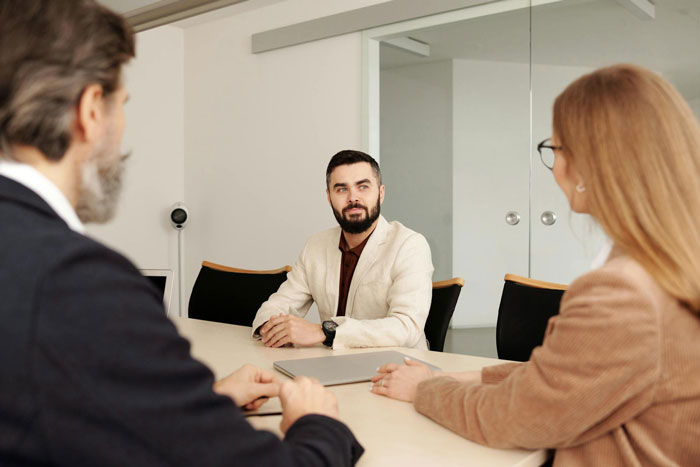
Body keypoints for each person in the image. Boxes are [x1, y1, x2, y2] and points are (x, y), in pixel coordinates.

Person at [0, 1, 363, 465]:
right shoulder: (79, 283)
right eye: (122, 107)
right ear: (91, 110)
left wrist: (189, 404)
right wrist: (321, 425)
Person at [370, 64, 700, 465]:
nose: (555, 166)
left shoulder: (624, 291)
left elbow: (518, 417)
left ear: (589, 162)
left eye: (555, 148)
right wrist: (451, 377)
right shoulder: (668, 265)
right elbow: (564, 380)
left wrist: (424, 390)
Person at [252, 150, 434, 350]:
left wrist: (325, 332)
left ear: (381, 193)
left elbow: (406, 328)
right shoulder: (315, 246)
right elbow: (278, 305)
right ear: (329, 198)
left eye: (363, 187)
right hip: (332, 365)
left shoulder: (410, 245)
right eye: (341, 189)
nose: (353, 197)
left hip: (397, 369)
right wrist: (271, 327)